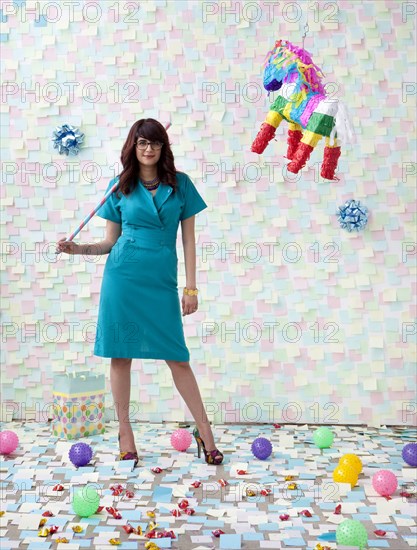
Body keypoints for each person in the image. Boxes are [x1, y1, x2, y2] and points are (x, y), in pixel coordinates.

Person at [57, 118, 223, 467]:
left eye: (155, 143)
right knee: (121, 355)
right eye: (142, 143)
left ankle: (205, 432)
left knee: (178, 357)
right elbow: (108, 242)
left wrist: (191, 287)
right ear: (133, 147)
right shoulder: (119, 186)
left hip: (161, 281)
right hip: (123, 277)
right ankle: (124, 433)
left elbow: (189, 240)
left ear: (164, 147)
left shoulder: (181, 186)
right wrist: (79, 249)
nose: (148, 149)